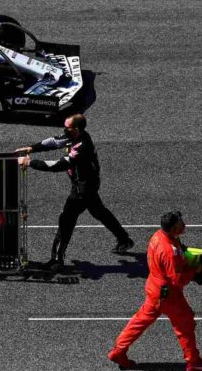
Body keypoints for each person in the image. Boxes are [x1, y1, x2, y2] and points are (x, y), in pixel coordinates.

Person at [16, 114, 134, 272]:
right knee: (99, 211)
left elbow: (59, 164)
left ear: (76, 129)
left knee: (65, 220)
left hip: (82, 189)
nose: (64, 130)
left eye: (67, 128)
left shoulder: (82, 146)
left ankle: (56, 260)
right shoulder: (74, 135)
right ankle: (124, 239)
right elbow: (55, 141)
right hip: (87, 184)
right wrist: (32, 148)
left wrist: (30, 162)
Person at [108, 211, 202, 371]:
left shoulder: (159, 236)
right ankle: (193, 361)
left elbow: (181, 251)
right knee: (185, 324)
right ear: (174, 228)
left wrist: (197, 254)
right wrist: (196, 269)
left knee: (139, 322)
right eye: (181, 223)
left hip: (154, 288)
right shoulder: (169, 252)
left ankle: (118, 351)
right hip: (168, 296)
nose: (184, 225)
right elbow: (178, 279)